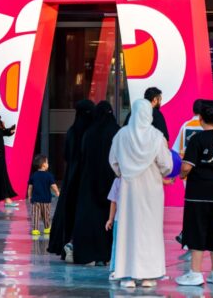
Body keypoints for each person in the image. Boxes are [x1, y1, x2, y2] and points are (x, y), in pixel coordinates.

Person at [106, 98, 173, 288]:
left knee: (128, 229)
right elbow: (167, 166)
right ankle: (148, 276)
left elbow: (113, 161)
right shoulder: (156, 136)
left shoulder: (121, 135)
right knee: (149, 231)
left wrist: (123, 172)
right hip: (151, 192)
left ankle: (127, 276)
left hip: (129, 191)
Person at [176, 102, 213, 287]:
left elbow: (186, 167)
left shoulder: (197, 139)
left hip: (197, 194)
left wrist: (180, 175)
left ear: (200, 119)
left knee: (196, 231)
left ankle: (195, 273)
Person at [71, 101, 118, 265]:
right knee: (109, 217)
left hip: (89, 181)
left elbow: (82, 155)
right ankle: (107, 255)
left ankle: (89, 253)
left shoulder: (89, 132)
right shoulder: (116, 132)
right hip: (110, 180)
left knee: (90, 218)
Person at [48, 99, 94, 257]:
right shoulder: (91, 132)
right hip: (85, 176)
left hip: (71, 176)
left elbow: (66, 155)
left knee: (68, 210)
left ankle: (65, 242)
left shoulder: (72, 131)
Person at [174, 99, 204, 247]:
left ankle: (186, 235)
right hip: (203, 173)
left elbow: (175, 150)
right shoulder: (206, 127)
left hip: (187, 174)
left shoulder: (185, 126)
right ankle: (191, 236)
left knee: (191, 205)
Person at [27, 154, 59, 236]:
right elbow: (53, 185)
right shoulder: (49, 175)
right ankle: (47, 228)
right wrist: (57, 192)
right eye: (47, 162)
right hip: (46, 200)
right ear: (44, 164)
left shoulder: (34, 175)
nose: (48, 164)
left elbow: (30, 187)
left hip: (35, 200)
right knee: (46, 215)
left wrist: (29, 196)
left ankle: (35, 230)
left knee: (35, 215)